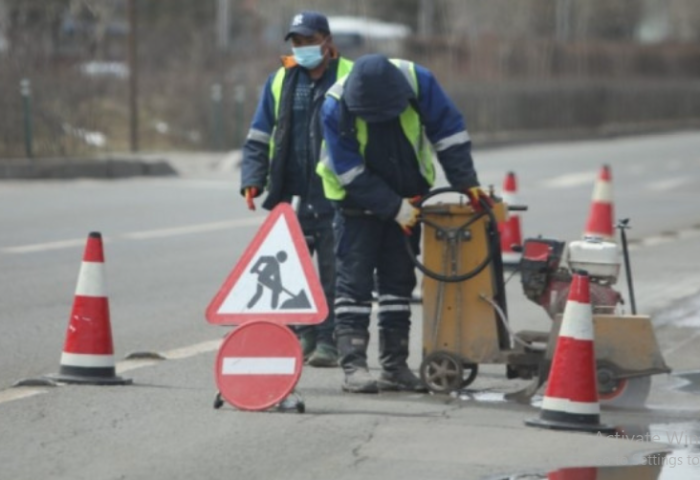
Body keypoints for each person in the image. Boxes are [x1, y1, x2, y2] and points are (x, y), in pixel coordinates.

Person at [317, 54, 493, 393]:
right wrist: (394, 208)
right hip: (356, 205)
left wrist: (465, 180)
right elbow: (349, 170)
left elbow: (449, 133)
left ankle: (394, 367)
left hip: (409, 198)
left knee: (398, 284)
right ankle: (354, 366)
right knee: (354, 285)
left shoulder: (419, 82)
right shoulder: (335, 105)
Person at [240, 11, 353, 367]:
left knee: (334, 273)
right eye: (297, 42)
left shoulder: (351, 76)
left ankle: (328, 340)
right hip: (291, 194)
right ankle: (303, 334)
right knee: (292, 273)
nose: (303, 48)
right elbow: (260, 134)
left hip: (335, 194)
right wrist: (252, 178)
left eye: (310, 41)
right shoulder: (281, 80)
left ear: (327, 41)